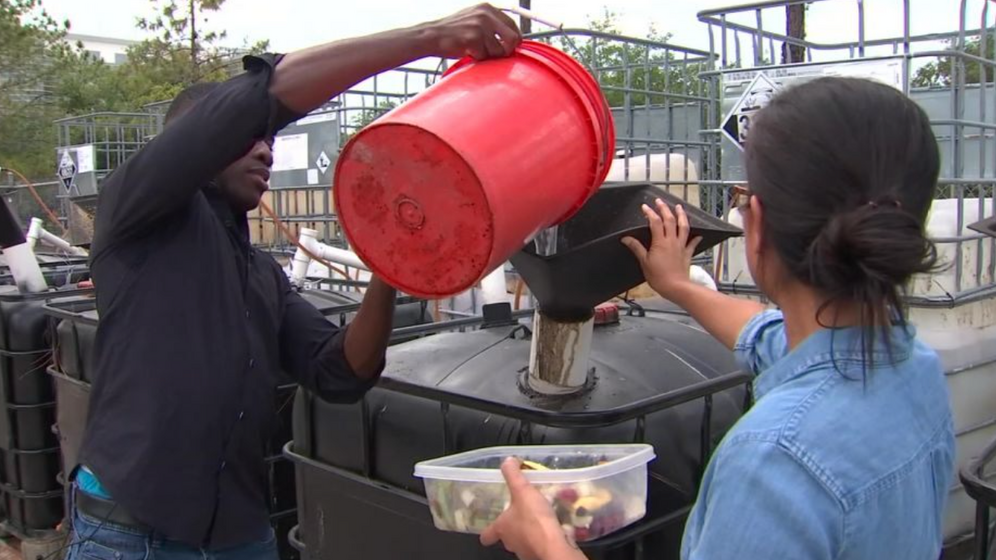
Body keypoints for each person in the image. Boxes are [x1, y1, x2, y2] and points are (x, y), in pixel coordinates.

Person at [67, 5, 522, 559]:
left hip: (239, 534)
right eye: (247, 139)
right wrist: (430, 37)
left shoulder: (260, 275)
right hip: (130, 531)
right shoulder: (136, 214)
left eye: (268, 142)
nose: (265, 147)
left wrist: (390, 265)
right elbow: (257, 100)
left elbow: (342, 372)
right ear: (194, 146)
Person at [480, 77, 955, 560]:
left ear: (760, 222)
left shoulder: (773, 462)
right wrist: (679, 286)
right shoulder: (912, 367)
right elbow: (771, 337)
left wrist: (545, 545)